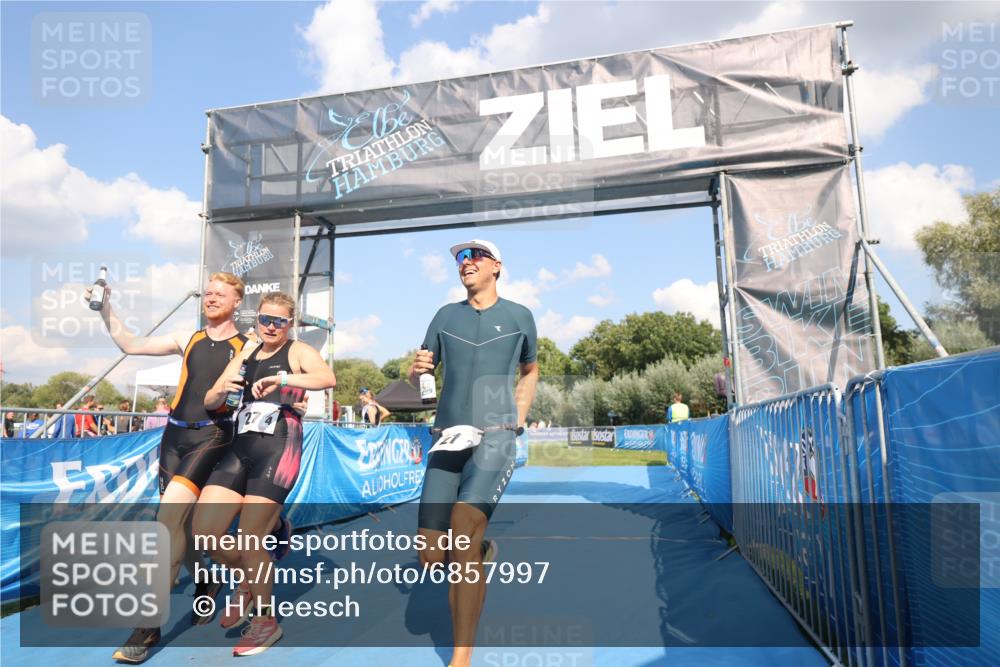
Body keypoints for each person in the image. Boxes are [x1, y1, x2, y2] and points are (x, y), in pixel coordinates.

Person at [89, 272, 291, 663]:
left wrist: (289, 397)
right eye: (208, 293)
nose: (211, 298)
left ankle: (148, 628)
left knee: (167, 523)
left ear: (237, 302)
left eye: (221, 294)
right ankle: (211, 577)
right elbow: (130, 344)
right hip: (173, 438)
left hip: (213, 436)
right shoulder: (189, 337)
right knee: (184, 527)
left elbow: (271, 372)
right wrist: (106, 307)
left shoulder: (247, 344)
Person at [408, 239, 539, 667]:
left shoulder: (520, 316)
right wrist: (416, 373)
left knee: (463, 528)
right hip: (447, 438)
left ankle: (460, 658)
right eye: (461, 259)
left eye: (475, 256)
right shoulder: (445, 316)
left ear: (497, 266)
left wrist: (517, 417)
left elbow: (530, 370)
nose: (466, 263)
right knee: (431, 554)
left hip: (496, 436)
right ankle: (479, 553)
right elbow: (421, 382)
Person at [194, 291, 336, 656]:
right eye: (264, 319)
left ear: (290, 324)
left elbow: (326, 378)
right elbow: (211, 399)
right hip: (241, 447)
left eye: (279, 321)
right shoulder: (246, 353)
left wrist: (286, 380)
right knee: (206, 534)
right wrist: (221, 390)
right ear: (255, 319)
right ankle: (250, 578)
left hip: (280, 445)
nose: (271, 327)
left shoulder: (297, 350)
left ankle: (265, 619)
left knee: (249, 537)